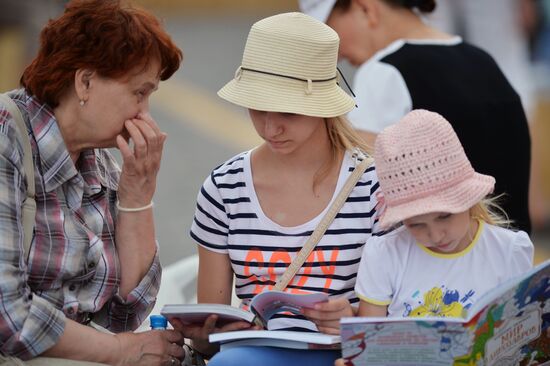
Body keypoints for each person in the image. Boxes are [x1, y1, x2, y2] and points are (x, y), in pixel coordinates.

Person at [178, 12, 384, 366]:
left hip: (347, 354)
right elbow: (210, 330)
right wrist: (205, 335)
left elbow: (406, 310)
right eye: (257, 108)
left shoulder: (373, 183)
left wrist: (353, 319)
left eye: (288, 111)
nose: (271, 127)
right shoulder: (223, 187)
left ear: (322, 106)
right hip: (249, 356)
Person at [0, 0, 184, 365]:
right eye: (139, 93)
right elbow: (8, 316)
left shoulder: (96, 159)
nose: (145, 114)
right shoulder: (7, 138)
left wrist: (138, 196)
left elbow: (125, 314)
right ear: (85, 81)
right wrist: (119, 352)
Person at [299, 0, 533, 235]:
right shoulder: (483, 61)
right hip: (510, 257)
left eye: (330, 31)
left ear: (365, 8)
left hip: (433, 261)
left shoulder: (382, 73)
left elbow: (356, 191)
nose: (334, 55)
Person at [335, 109, 534, 365]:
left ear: (468, 200)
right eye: (416, 224)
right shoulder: (385, 253)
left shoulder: (509, 250)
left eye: (444, 216)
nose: (435, 235)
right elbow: (368, 348)